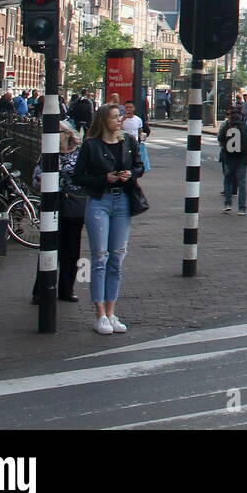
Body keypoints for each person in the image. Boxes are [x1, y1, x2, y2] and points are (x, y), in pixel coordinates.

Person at [74, 103, 144, 335]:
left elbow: (139, 167)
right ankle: (100, 314)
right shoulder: (91, 146)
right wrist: (105, 178)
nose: (119, 120)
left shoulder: (129, 143)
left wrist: (129, 175)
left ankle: (112, 312)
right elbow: (79, 176)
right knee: (100, 257)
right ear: (104, 120)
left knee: (117, 257)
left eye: (120, 117)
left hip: (122, 201)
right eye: (115, 117)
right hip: (100, 202)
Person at [30, 126, 85, 304]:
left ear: (68, 134)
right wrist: (42, 180)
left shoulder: (80, 153)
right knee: (49, 246)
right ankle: (42, 289)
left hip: (73, 205)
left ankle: (66, 289)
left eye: (57, 132)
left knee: (71, 248)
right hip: (52, 205)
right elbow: (35, 179)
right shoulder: (48, 153)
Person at [219, 108, 247, 214]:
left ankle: (227, 203)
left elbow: (220, 140)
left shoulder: (226, 127)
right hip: (241, 158)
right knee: (242, 183)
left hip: (229, 158)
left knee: (228, 181)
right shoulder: (246, 126)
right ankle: (242, 208)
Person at [122, 100, 152, 170]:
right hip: (124, 143)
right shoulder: (121, 119)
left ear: (134, 108)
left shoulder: (138, 119)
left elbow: (140, 131)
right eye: (126, 107)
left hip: (135, 143)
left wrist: (142, 139)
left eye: (130, 107)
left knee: (135, 159)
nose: (128, 109)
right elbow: (117, 130)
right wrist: (122, 120)